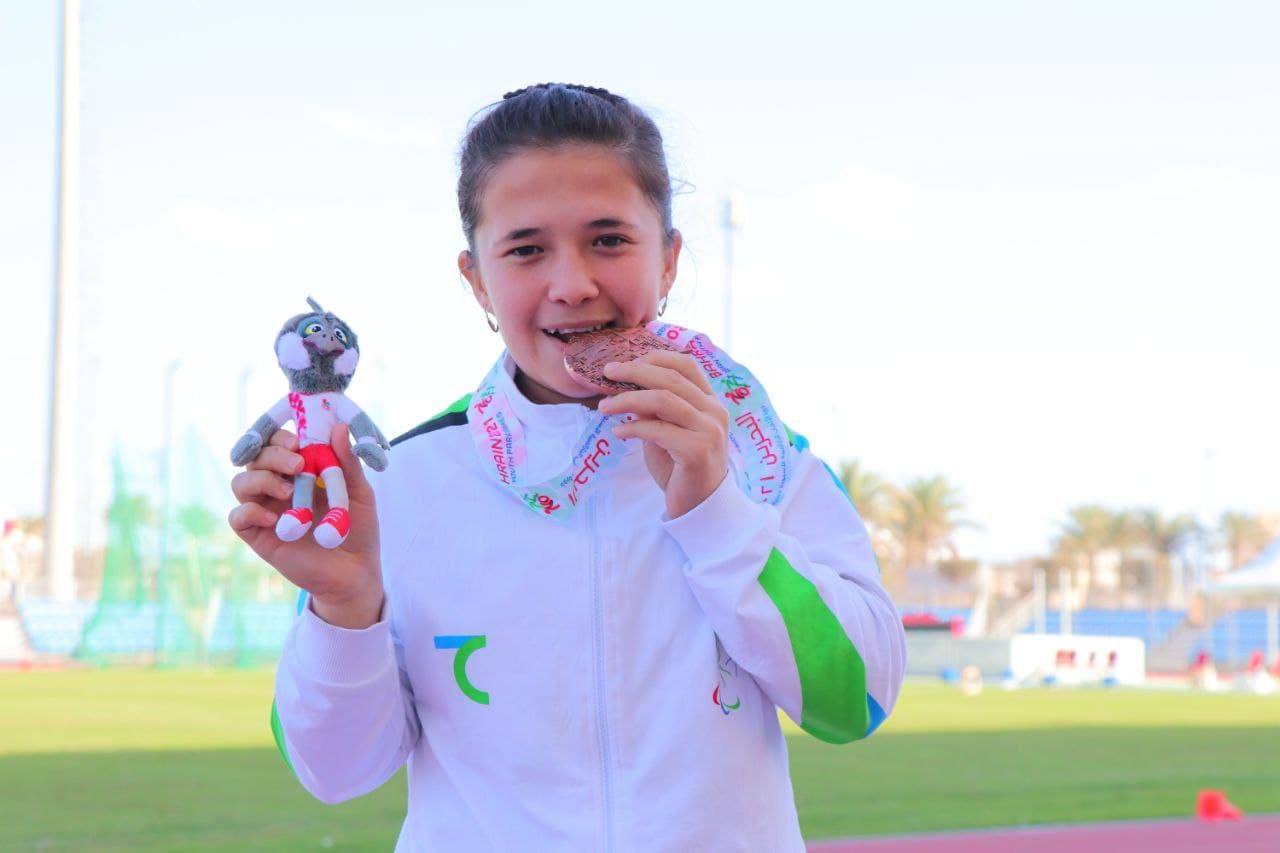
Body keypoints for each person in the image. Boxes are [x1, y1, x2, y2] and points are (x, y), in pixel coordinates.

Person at [229, 83, 906, 851]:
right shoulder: (403, 482)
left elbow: (857, 700)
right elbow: (335, 770)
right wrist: (346, 603)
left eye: (609, 240)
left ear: (669, 259)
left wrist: (715, 511)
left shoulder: (762, 453)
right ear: (477, 280)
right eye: (526, 249)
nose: (572, 284)